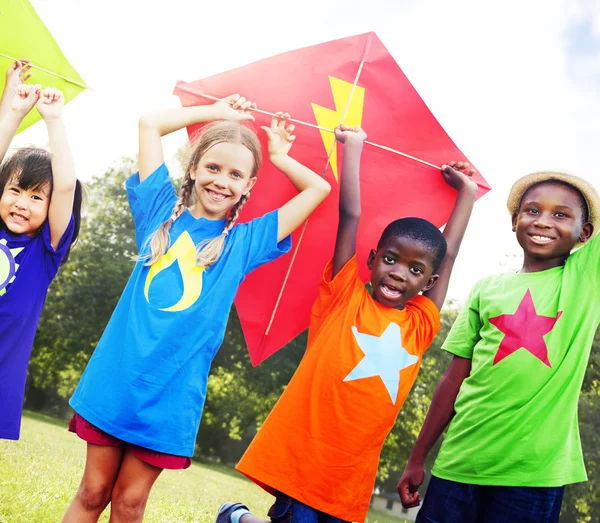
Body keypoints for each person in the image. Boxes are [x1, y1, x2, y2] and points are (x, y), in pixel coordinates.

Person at [63, 95, 331, 523]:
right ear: (193, 169)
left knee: (130, 504)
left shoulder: (244, 244)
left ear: (248, 186)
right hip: (116, 381)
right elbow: (149, 123)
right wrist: (218, 114)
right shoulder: (156, 214)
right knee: (93, 493)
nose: (221, 181)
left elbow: (318, 189)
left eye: (235, 174)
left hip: (171, 397)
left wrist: (278, 154)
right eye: (212, 167)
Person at [216, 125, 478, 523]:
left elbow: (451, 253)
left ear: (430, 282)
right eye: (390, 260)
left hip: (350, 477)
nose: (398, 274)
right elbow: (350, 214)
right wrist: (352, 149)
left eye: (415, 269)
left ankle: (236, 519)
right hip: (304, 460)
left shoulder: (421, 323)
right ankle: (237, 517)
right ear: (372, 260)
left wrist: (468, 194)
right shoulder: (344, 296)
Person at [397, 171, 600, 523]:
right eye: (532, 210)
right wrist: (417, 457)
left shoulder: (584, 280)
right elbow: (452, 381)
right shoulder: (486, 288)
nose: (543, 221)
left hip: (532, 476)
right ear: (514, 221)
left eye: (561, 215)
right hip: (458, 463)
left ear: (585, 233)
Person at [0, 60, 82, 441]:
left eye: (36, 197)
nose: (22, 203)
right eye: (15, 190)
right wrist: (14, 109)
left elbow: (64, 186)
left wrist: (54, 121)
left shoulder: (44, 252)